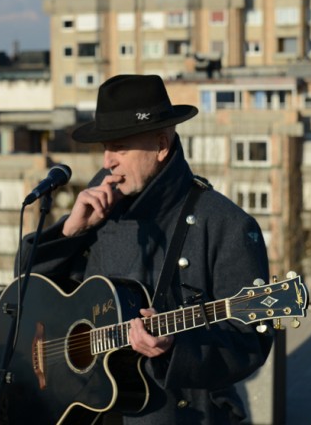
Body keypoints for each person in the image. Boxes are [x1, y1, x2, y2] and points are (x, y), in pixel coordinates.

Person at [19, 74, 273, 424]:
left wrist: (175, 350)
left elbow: (250, 343)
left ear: (161, 143)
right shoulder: (99, 206)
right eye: (105, 148)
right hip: (90, 409)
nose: (108, 160)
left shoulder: (225, 223)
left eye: (120, 147)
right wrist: (70, 232)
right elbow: (33, 295)